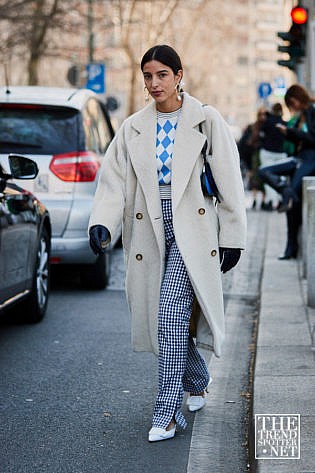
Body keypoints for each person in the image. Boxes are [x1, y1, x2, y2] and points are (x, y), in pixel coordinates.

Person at [88, 45, 247, 442]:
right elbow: (113, 181)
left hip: (193, 229)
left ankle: (167, 409)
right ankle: (197, 375)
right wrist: (103, 224)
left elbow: (229, 181)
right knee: (164, 317)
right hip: (149, 228)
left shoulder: (206, 120)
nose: (154, 83)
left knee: (171, 312)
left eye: (162, 74)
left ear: (179, 75)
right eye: (147, 75)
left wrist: (233, 237)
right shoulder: (133, 127)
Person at [258, 84, 315, 259]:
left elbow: (312, 138)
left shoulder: (312, 111)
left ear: (296, 100)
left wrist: (291, 131)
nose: (292, 108)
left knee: (293, 205)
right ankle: (286, 192)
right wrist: (288, 133)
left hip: (311, 159)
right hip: (299, 158)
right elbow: (301, 140)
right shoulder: (302, 116)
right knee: (264, 171)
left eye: (291, 103)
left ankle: (291, 248)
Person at [259, 103, 287, 210]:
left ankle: (270, 201)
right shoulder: (284, 123)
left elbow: (261, 136)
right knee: (281, 178)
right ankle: (280, 200)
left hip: (267, 153)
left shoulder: (267, 122)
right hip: (281, 153)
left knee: (267, 177)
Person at [238, 107, 267, 209]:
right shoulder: (252, 127)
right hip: (254, 156)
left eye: (265, 115)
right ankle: (254, 200)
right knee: (255, 179)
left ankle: (264, 201)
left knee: (265, 178)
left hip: (264, 155)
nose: (263, 117)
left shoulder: (268, 127)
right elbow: (243, 145)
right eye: (261, 115)